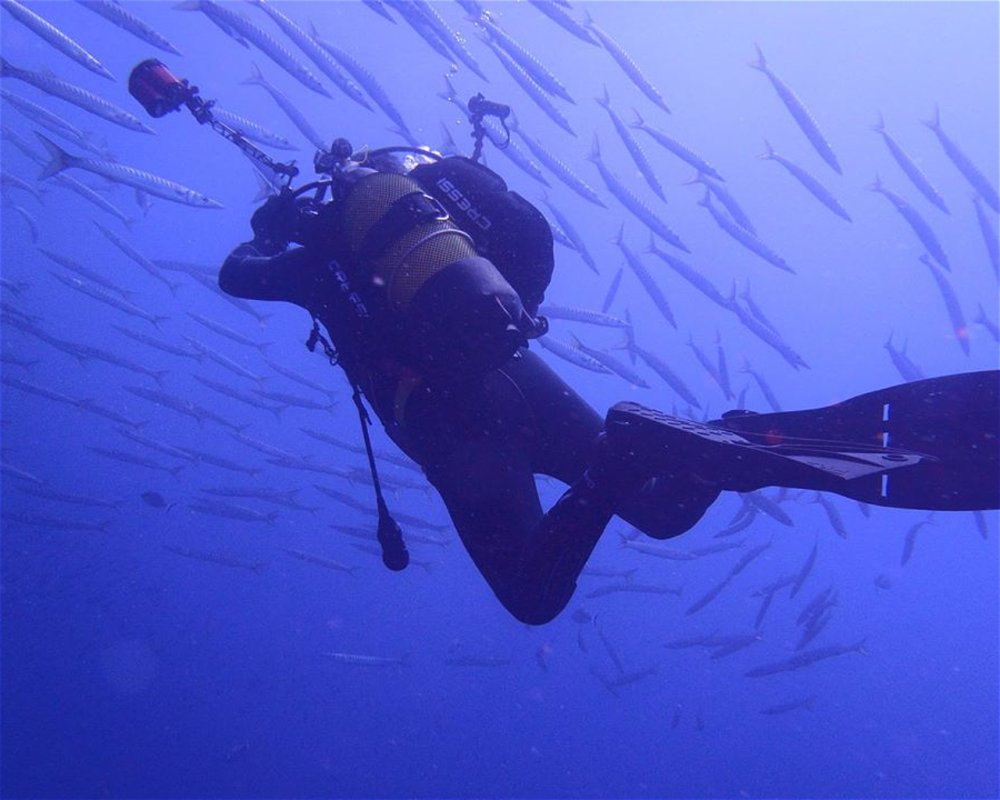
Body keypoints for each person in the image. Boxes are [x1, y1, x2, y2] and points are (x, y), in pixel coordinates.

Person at [220, 143, 999, 625]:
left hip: (447, 420)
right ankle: (728, 432)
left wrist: (275, 229)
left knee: (532, 596)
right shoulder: (422, 219)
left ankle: (619, 459)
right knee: (661, 508)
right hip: (516, 374)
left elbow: (236, 273)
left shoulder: (309, 264)